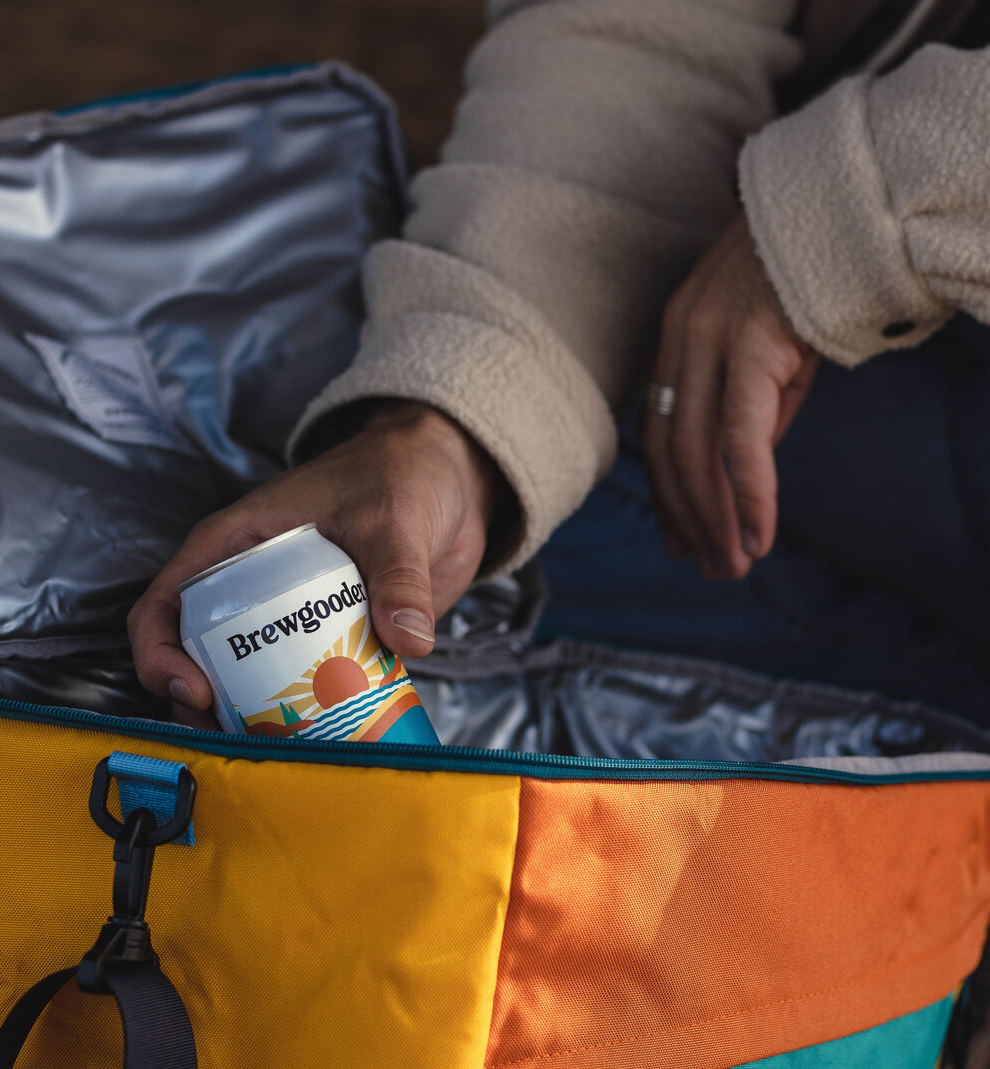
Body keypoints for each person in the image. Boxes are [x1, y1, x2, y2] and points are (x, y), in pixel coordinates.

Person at [129, 0, 990, 718]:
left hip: (888, 287)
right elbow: (633, 40)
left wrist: (865, 206)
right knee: (494, 563)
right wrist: (453, 417)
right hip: (825, 332)